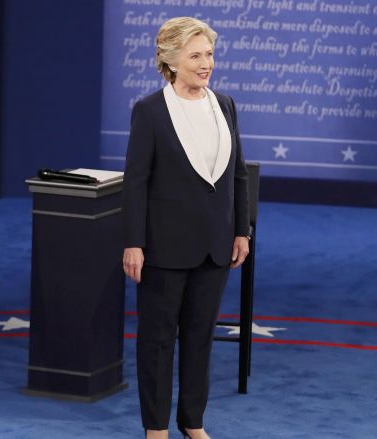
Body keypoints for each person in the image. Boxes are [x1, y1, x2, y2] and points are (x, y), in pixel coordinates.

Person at [122, 17, 250, 439]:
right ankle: (155, 427)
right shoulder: (149, 111)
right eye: (195, 55)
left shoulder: (225, 104)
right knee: (157, 342)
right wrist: (134, 243)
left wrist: (241, 231)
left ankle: (193, 422)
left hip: (215, 246)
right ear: (170, 60)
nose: (206, 63)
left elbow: (237, 175)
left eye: (209, 54)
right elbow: (136, 182)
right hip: (163, 248)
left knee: (200, 340)